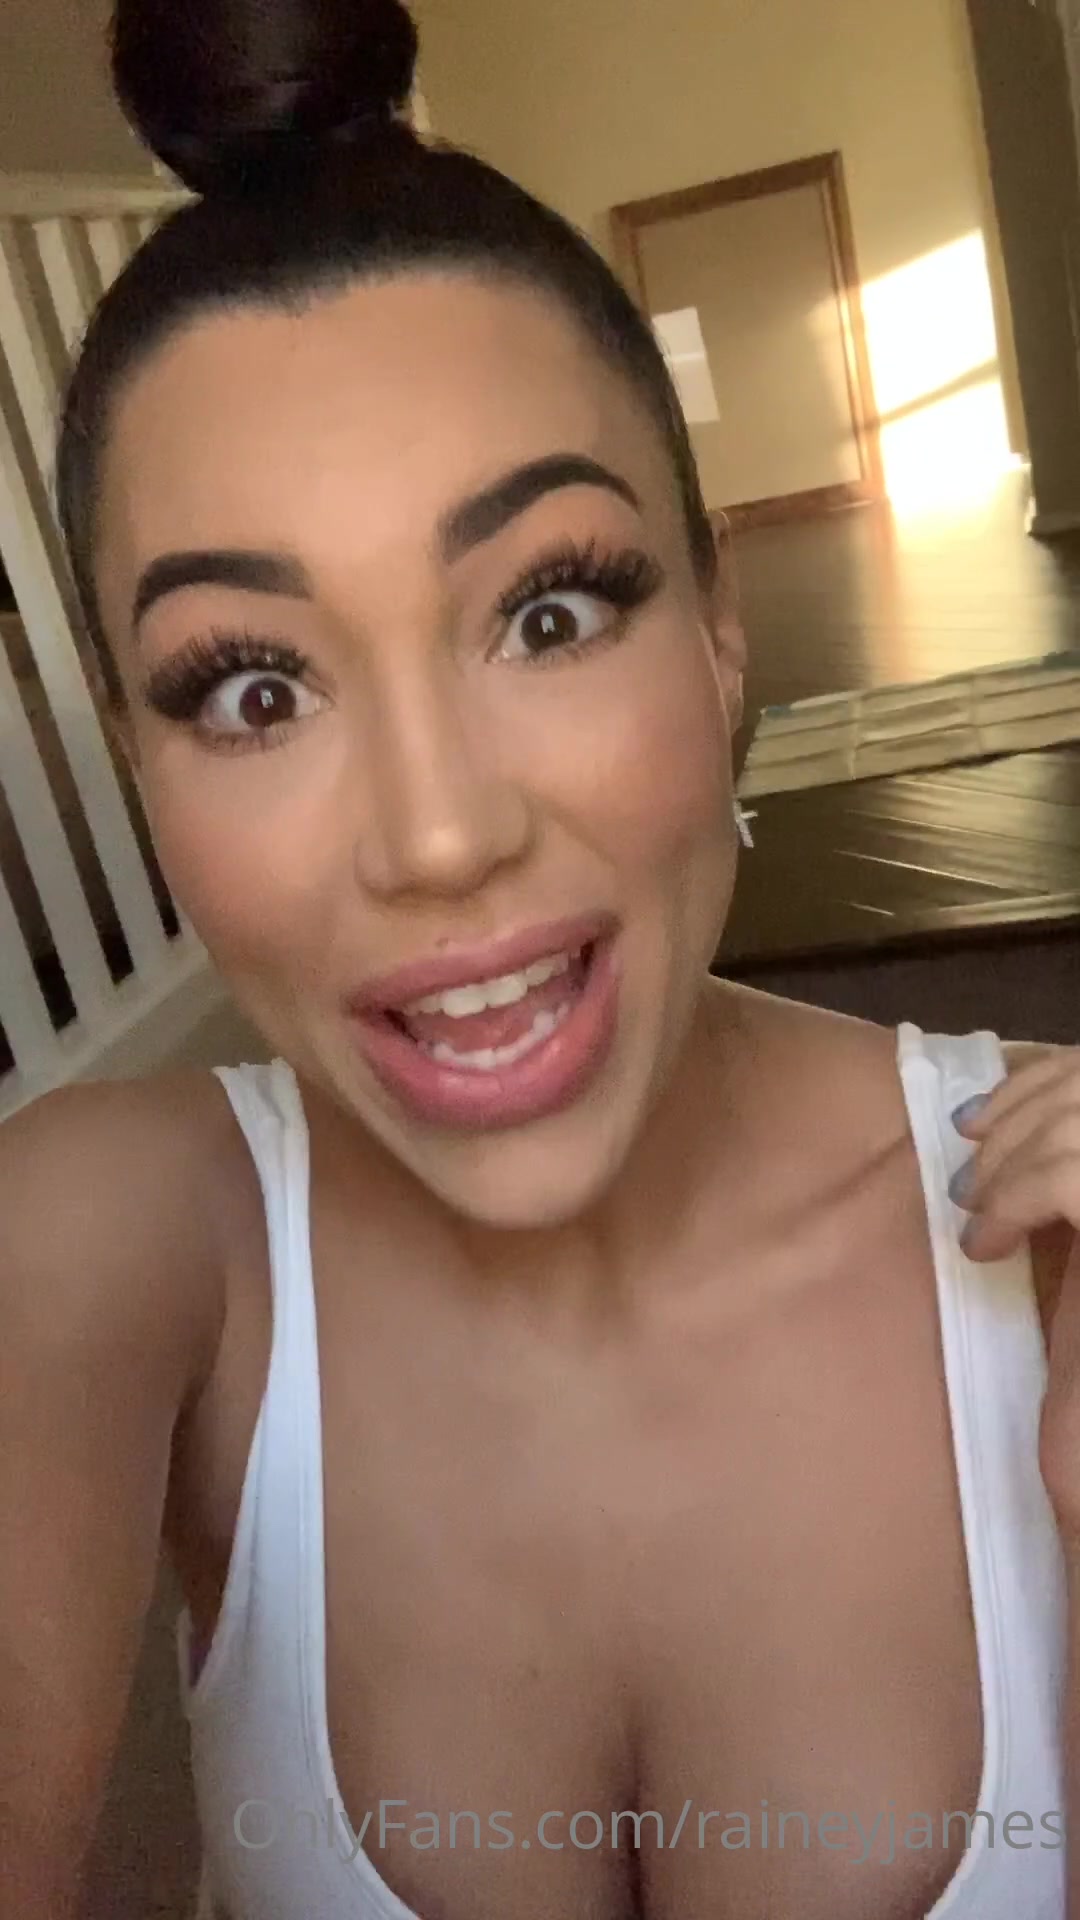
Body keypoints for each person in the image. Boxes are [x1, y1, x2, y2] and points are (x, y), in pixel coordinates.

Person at [2, 1, 1080, 1916]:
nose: (438, 835)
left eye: (550, 611)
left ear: (721, 633)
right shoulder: (113, 1243)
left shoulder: (1049, 1229)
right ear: (143, 765)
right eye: (253, 689)